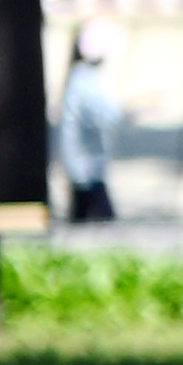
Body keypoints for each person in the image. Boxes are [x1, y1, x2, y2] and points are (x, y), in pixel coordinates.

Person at [56, 17, 127, 225]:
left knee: (82, 216)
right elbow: (107, 115)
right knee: (100, 217)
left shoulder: (79, 77)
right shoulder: (87, 81)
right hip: (87, 166)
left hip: (84, 163)